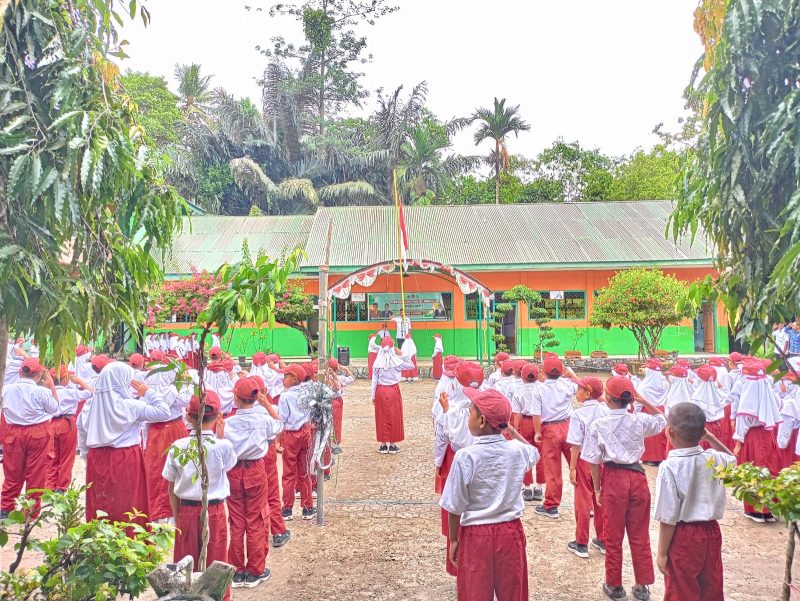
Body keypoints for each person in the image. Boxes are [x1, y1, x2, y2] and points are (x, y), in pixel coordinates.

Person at [440, 388, 539, 601]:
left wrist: (454, 539)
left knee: (474, 593)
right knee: (513, 592)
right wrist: (510, 430)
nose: (468, 418)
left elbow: (454, 505)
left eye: (470, 414)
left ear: (482, 421)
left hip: (476, 535)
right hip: (510, 531)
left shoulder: (465, 457)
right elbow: (534, 452)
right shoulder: (517, 451)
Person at [581, 376, 667, 601]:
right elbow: (662, 419)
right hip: (637, 477)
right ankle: (642, 585)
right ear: (630, 401)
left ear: (607, 399)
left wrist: (598, 490)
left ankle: (614, 584)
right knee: (639, 534)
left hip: (613, 479)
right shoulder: (639, 420)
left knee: (613, 534)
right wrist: (643, 400)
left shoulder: (598, 425)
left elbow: (593, 459)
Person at [654, 402, 734, 601]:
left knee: (682, 589)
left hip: (684, 536)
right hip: (712, 532)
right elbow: (732, 459)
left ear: (669, 431)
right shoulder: (714, 459)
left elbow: (668, 516)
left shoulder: (670, 467)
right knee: (712, 585)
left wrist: (662, 552)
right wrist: (709, 437)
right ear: (701, 432)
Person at [163, 390, 236, 601]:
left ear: (187, 415)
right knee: (217, 566)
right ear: (218, 416)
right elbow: (229, 466)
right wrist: (221, 436)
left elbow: (171, 487)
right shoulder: (223, 446)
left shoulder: (178, 447)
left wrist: (178, 517)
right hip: (214, 510)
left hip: (186, 509)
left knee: (185, 568)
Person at [79, 362, 169, 529]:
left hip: (96, 459)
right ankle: (130, 544)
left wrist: (87, 459)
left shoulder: (90, 407)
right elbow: (164, 412)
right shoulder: (130, 406)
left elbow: (82, 435)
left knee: (100, 503)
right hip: (126, 458)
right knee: (128, 504)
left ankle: (98, 546)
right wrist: (148, 392)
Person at [225, 377, 283, 588]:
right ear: (256, 398)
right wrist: (267, 405)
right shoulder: (263, 420)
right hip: (256, 470)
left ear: (236, 398)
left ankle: (237, 570)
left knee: (237, 520)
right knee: (257, 520)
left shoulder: (228, 423)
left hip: (233, 470)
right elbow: (279, 425)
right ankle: (255, 570)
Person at [433, 361, 483, 576]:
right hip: (484, 457)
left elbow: (443, 438)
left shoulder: (452, 405)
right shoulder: (489, 401)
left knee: (456, 503)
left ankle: (457, 555)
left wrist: (437, 462)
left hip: (457, 457)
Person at [1, 358, 59, 518]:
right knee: (36, 474)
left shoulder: (6, 389)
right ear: (40, 375)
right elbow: (54, 408)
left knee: (12, 472)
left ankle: (6, 508)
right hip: (38, 434)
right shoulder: (42, 392)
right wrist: (51, 386)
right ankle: (30, 511)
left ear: (20, 372)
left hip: (13, 433)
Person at [143, 355, 191, 524]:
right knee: (178, 468)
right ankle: (174, 513)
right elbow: (186, 399)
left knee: (156, 470)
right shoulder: (174, 385)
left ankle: (157, 513)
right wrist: (184, 384)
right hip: (174, 428)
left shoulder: (147, 385)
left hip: (155, 431)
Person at [733, 360, 782, 523]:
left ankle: (755, 510)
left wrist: (738, 443)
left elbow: (743, 422)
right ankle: (769, 509)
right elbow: (778, 406)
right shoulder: (768, 391)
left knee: (753, 470)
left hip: (752, 438)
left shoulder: (749, 396)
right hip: (768, 436)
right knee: (768, 468)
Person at [566, 376, 609, 559]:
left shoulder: (578, 415)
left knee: (583, 501)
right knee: (601, 500)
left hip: (585, 459)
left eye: (580, 389)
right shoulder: (606, 411)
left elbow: (575, 444)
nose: (577, 392)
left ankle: (581, 542)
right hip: (604, 460)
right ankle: (604, 539)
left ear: (588, 393)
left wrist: (572, 467)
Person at [530, 357, 578, 519]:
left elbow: (536, 414)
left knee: (553, 469)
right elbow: (583, 385)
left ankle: (551, 506)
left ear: (543, 372)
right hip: (568, 426)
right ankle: (588, 503)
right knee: (577, 465)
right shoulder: (567, 385)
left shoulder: (539, 389)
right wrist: (570, 373)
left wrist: (537, 432)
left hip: (549, 429)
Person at [279, 364, 316, 521]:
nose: (283, 379)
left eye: (286, 376)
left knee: (288, 473)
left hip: (291, 435)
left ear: (294, 378)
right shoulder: (308, 393)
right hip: (306, 432)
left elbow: (282, 419)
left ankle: (287, 509)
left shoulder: (285, 397)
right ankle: (308, 507)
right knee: (304, 471)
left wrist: (277, 439)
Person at [48, 366, 92, 493]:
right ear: (65, 379)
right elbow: (90, 393)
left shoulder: (48, 392)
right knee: (67, 457)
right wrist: (80, 382)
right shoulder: (70, 392)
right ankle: (61, 487)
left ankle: (50, 485)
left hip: (51, 424)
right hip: (66, 423)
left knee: (53, 456)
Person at [371, 337, 414, 454]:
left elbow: (374, 381)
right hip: (394, 390)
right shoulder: (397, 362)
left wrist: (373, 396)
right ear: (392, 348)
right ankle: (393, 444)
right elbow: (411, 365)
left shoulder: (377, 363)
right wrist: (401, 353)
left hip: (380, 390)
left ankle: (383, 445)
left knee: (381, 416)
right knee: (395, 415)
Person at [513, 363, 545, 503]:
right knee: (541, 455)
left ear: (522, 376)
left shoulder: (519, 391)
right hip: (540, 422)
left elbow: (517, 414)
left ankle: (527, 487)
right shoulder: (543, 389)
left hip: (525, 422)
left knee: (525, 454)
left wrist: (515, 430)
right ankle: (539, 487)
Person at [636, 358, 669, 465]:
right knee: (660, 434)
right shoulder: (664, 385)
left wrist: (635, 413)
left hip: (647, 410)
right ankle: (661, 456)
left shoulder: (643, 387)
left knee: (649, 435)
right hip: (660, 410)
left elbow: (638, 403)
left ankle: (649, 457)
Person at [690, 365, 729, 450]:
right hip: (720, 427)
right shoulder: (720, 395)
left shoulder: (696, 397)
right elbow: (727, 393)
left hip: (703, 429)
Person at [326, 359, 354, 454]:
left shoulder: (324, 379)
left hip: (327, 402)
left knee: (328, 423)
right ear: (337, 368)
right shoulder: (340, 378)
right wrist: (345, 368)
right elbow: (352, 378)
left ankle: (329, 443)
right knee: (336, 423)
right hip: (336, 402)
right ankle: (335, 444)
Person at [777, 375, 800, 466]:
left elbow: (786, 426)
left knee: (791, 463)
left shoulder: (790, 403)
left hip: (791, 438)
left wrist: (781, 443)